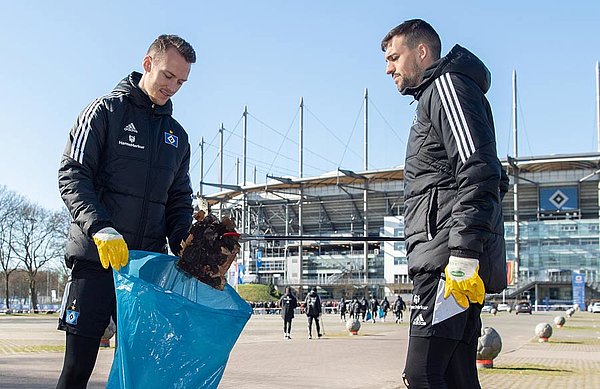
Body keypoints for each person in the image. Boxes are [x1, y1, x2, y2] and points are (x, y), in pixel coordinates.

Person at [56, 35, 196, 389]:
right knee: (76, 370)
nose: (173, 87)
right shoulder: (104, 112)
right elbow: (73, 173)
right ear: (148, 63)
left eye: (181, 82)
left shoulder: (177, 137)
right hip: (96, 261)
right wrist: (100, 228)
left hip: (144, 269)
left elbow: (179, 201)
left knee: (141, 374)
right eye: (168, 76)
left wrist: (186, 245)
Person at [381, 19, 508, 388]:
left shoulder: (446, 87)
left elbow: (479, 170)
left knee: (422, 373)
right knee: (456, 373)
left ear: (421, 52)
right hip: (449, 261)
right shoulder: (436, 96)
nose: (389, 68)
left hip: (449, 268)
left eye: (394, 57)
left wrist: (463, 255)